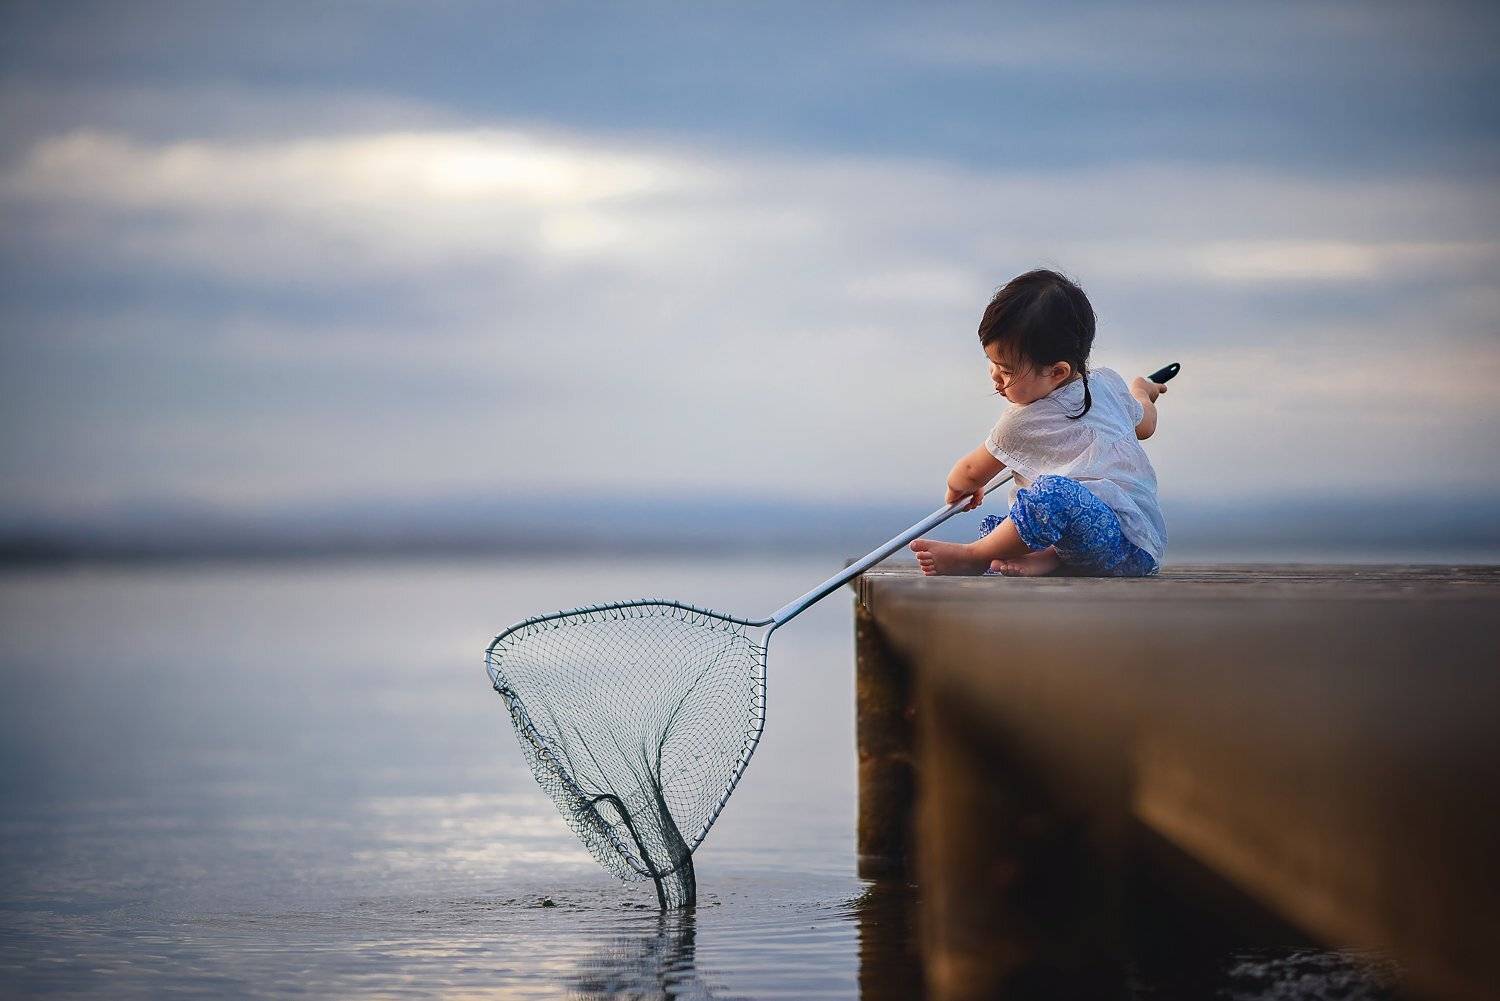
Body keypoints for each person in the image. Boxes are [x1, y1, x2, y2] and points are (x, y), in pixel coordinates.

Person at [909, 269, 1168, 577]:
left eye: (1006, 372)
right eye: (991, 364)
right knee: (1005, 524)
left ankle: (974, 556)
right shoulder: (1110, 385)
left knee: (1051, 494)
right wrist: (1142, 390)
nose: (995, 379)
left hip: (1125, 545)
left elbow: (970, 471)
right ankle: (1050, 559)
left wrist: (959, 488)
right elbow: (1145, 424)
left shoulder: (1022, 422)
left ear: (1057, 372)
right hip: (1128, 540)